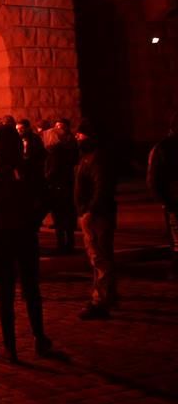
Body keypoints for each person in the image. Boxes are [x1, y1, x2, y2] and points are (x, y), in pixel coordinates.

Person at [0, 125, 52, 362]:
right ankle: (39, 338)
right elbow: (45, 197)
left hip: (1, 237)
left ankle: (11, 347)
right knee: (31, 289)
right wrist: (34, 221)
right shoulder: (26, 166)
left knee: (5, 293)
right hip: (24, 235)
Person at [75, 119, 118, 319]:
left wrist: (89, 210)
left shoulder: (96, 159)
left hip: (97, 216)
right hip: (95, 214)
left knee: (99, 258)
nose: (77, 137)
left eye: (80, 134)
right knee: (101, 257)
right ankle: (109, 294)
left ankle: (100, 301)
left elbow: (101, 188)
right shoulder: (89, 157)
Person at [148, 112, 178, 279]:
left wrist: (163, 199)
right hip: (172, 200)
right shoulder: (163, 148)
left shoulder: (163, 147)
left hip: (172, 200)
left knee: (176, 238)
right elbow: (155, 179)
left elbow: (153, 178)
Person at [43, 118, 79, 254]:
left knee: (59, 218)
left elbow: (52, 171)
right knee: (66, 217)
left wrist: (47, 180)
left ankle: (63, 245)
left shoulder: (55, 152)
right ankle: (69, 244)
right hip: (66, 186)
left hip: (58, 187)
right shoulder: (66, 148)